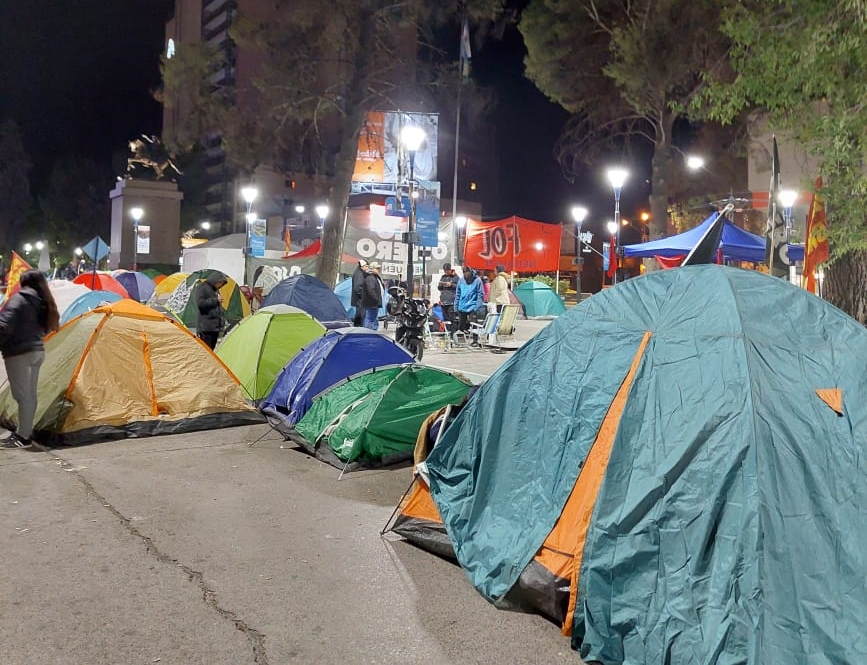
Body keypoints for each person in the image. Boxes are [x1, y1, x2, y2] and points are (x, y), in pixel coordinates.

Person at [0, 270, 60, 447]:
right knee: (30, 396)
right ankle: (25, 433)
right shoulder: (43, 301)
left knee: (22, 396)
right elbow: (48, 327)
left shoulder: (19, 299)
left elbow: (4, 325)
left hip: (19, 353)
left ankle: (23, 437)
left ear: (23, 283)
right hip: (37, 351)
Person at [196, 270, 227, 350]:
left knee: (211, 351)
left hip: (214, 328)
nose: (221, 285)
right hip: (206, 328)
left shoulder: (215, 290)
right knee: (206, 351)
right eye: (220, 283)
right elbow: (200, 304)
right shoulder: (203, 288)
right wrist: (215, 300)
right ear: (215, 280)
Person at [455, 266, 483, 343]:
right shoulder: (461, 281)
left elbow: (480, 294)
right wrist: (456, 307)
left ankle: (475, 341)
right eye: (464, 273)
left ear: (470, 272)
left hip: (473, 306)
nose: (466, 274)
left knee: (474, 324)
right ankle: (460, 341)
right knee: (461, 325)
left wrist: (476, 307)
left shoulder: (477, 280)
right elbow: (458, 294)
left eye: (467, 272)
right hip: (462, 306)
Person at [361, 262, 385, 330]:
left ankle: (371, 333)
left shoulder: (373, 277)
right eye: (377, 268)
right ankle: (367, 334)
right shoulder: (370, 278)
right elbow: (371, 290)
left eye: (379, 268)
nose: (379, 270)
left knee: (372, 319)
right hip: (372, 303)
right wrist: (376, 299)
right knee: (370, 320)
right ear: (372, 268)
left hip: (372, 303)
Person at [437, 263, 458, 331]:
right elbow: (440, 289)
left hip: (451, 301)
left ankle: (453, 333)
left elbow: (459, 287)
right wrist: (440, 285)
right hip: (443, 301)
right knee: (445, 319)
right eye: (445, 270)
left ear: (450, 269)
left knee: (452, 318)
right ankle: (446, 332)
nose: (446, 272)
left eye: (447, 270)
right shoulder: (443, 277)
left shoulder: (455, 277)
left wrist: (451, 285)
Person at [351, 259, 370, 326]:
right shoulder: (359, 274)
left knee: (360, 316)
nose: (367, 268)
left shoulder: (359, 273)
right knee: (360, 316)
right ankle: (358, 329)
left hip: (359, 300)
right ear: (362, 266)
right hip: (360, 300)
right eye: (366, 266)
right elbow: (357, 288)